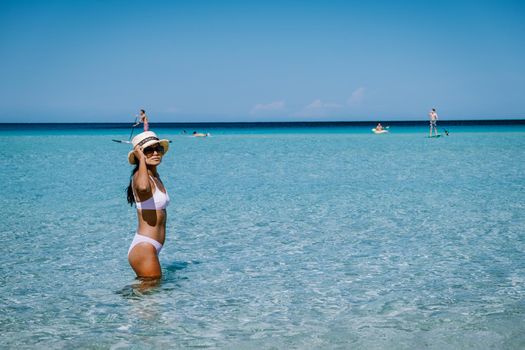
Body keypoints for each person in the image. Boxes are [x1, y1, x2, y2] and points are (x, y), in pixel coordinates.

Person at [126, 131, 170, 279]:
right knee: (150, 294)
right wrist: (142, 161)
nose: (155, 153)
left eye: (158, 149)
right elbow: (143, 188)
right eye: (149, 150)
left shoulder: (154, 176)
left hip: (151, 246)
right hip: (144, 247)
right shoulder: (140, 176)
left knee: (148, 295)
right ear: (139, 154)